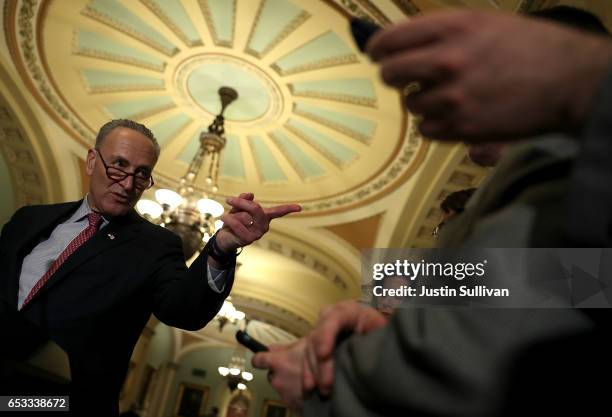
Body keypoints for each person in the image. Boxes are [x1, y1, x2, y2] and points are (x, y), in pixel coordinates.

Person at [252, 7, 612, 416]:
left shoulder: (572, 169)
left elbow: (504, 345)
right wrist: (393, 324)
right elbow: (569, 284)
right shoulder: (515, 204)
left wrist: (326, 383)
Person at [0, 119, 301, 415]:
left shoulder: (156, 246)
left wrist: (222, 247)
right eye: (118, 165)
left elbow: (186, 309)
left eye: (142, 174)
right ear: (92, 161)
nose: (129, 184)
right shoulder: (30, 220)